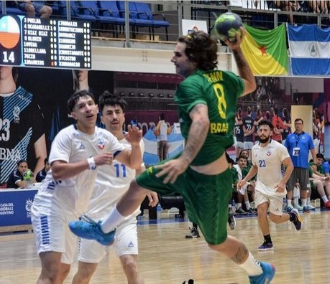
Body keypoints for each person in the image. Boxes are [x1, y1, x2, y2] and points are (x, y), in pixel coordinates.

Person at [69, 30, 276, 283]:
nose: (172, 58)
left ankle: (259, 271)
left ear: (194, 59)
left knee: (216, 242)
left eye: (178, 54)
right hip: (189, 166)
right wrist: (236, 49)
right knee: (137, 184)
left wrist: (184, 159)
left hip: (209, 180)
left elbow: (201, 120)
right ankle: (103, 230)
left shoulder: (191, 85)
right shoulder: (224, 78)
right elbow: (251, 84)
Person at [30, 90, 143, 284]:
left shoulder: (104, 138)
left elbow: (133, 163)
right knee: (52, 271)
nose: (87, 108)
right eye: (81, 106)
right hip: (51, 207)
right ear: (73, 114)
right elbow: (57, 171)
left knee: (62, 272)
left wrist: (134, 145)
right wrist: (93, 161)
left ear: (96, 109)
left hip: (75, 212)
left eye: (90, 103)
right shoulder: (66, 136)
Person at [72, 91, 149, 284]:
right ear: (102, 116)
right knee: (84, 274)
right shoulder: (92, 140)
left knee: (131, 264)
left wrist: (149, 187)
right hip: (95, 216)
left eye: (117, 112)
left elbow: (139, 167)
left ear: (123, 115)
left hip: (125, 215)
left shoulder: (136, 141)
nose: (114, 116)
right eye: (109, 112)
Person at [238, 119, 302, 251]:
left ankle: (292, 216)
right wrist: (244, 180)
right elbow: (255, 167)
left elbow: (290, 166)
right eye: (260, 130)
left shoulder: (279, 148)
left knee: (275, 218)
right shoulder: (254, 148)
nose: (262, 132)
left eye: (265, 130)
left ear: (271, 132)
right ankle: (267, 241)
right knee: (261, 212)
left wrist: (283, 183)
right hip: (261, 186)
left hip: (276, 187)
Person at [284, 118, 317, 212]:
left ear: (302, 125)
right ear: (294, 125)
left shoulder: (308, 137)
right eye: (296, 124)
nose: (298, 125)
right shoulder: (289, 137)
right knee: (290, 185)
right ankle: (289, 205)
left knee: (304, 185)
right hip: (291, 166)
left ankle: (304, 205)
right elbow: (285, 150)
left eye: (299, 123)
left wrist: (314, 162)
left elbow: (313, 150)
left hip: (303, 165)